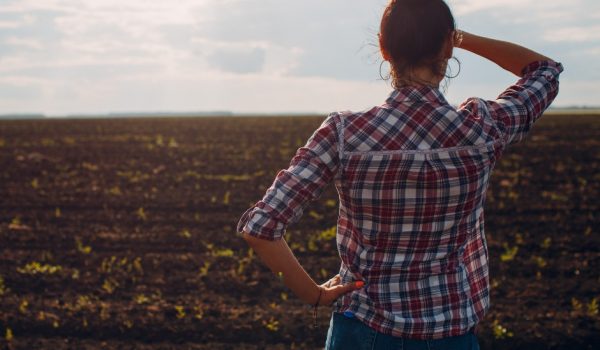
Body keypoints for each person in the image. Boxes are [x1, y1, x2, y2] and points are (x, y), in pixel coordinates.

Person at [237, 0, 563, 348]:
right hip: (450, 333)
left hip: (361, 332)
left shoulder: (344, 133)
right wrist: (459, 38)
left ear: (383, 47)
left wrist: (314, 295)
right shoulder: (483, 127)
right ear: (446, 47)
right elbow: (544, 70)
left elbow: (261, 228)